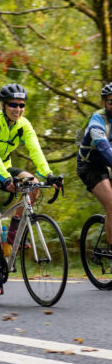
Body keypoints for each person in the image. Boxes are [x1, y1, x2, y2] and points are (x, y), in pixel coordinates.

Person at [0, 83, 61, 295]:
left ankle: (12, 234)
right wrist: (5, 178)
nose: (17, 109)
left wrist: (49, 175)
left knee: (34, 183)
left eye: (21, 105)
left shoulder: (23, 125)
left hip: (5, 168)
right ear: (4, 105)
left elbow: (35, 150)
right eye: (13, 104)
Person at [77, 83, 112, 246]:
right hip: (90, 166)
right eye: (111, 101)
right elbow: (104, 149)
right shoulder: (97, 120)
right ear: (104, 102)